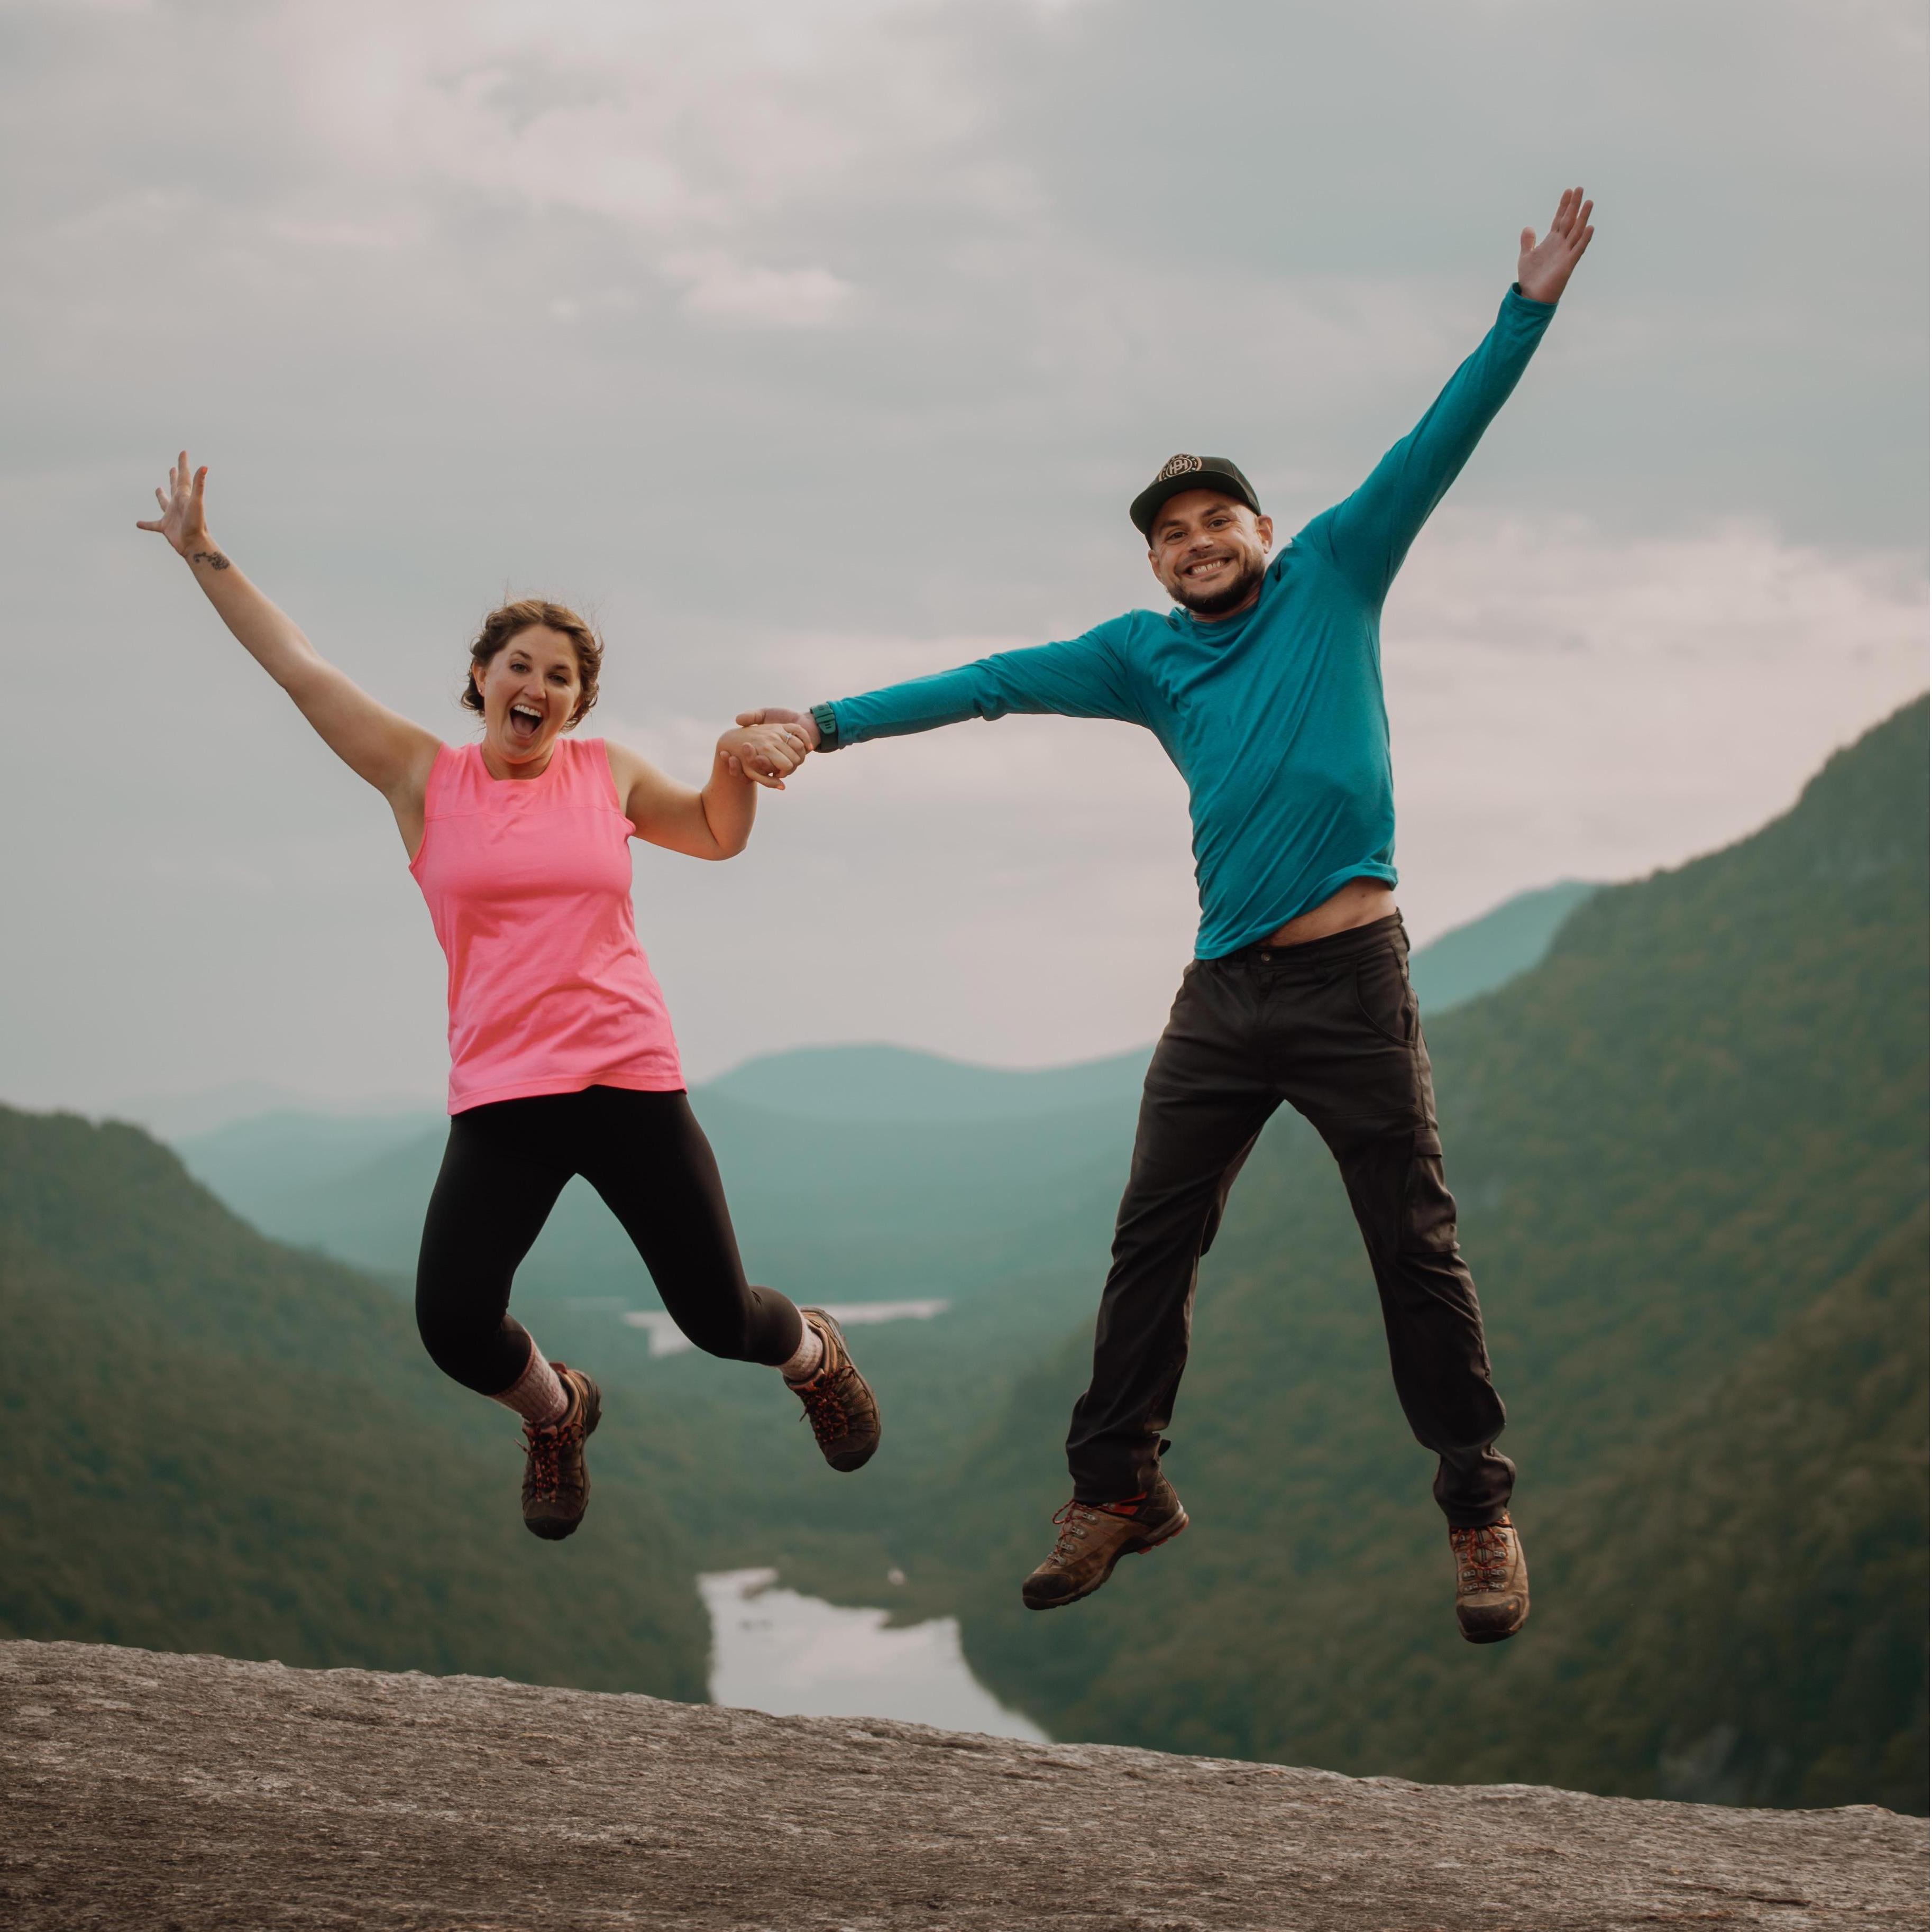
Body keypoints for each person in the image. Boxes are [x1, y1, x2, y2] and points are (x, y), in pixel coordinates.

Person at [743, 189, 1597, 1643]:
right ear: (1151, 563)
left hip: (1349, 982)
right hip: (1221, 994)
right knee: (1150, 1241)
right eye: (1170, 534)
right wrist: (820, 724)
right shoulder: (1141, 656)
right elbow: (988, 682)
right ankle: (1117, 1487)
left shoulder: (1335, 570)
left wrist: (1526, 309)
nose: (1195, 542)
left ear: (1262, 529)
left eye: (1214, 521)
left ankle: (1474, 1504)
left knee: (1412, 1247)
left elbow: (1439, 439)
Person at [136, 461, 881, 1540]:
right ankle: (557, 1411)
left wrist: (735, 760)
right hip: (504, 1098)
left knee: (721, 1321)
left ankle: (814, 1354)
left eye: (561, 676)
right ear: (481, 678)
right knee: (453, 1325)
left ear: (577, 702)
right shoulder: (422, 778)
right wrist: (202, 551)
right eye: (519, 666)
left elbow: (718, 833)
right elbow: (298, 667)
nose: (537, 686)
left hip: (627, 1080)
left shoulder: (606, 773)